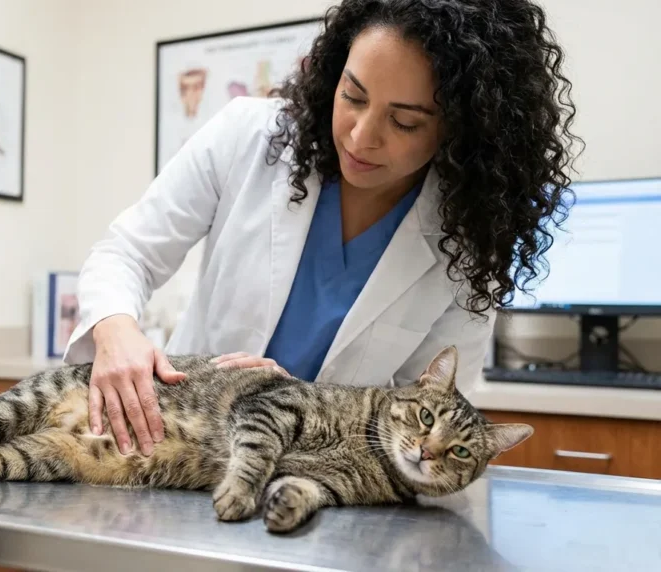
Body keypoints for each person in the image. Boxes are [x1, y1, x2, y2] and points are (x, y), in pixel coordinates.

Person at [63, 0, 581, 457]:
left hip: (323, 495)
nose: (360, 136)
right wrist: (115, 330)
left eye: (404, 122)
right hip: (181, 444)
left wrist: (302, 407)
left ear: (462, 131)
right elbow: (127, 252)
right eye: (353, 95)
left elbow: (430, 422)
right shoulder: (250, 136)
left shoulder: (468, 245)